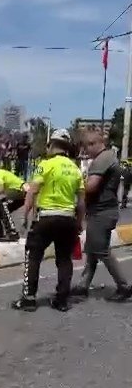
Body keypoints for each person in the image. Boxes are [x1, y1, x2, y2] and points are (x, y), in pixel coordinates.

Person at [12, 129, 85, 313]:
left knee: (33, 255)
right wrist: (79, 223)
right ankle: (61, 300)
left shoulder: (46, 164)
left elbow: (32, 191)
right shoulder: (75, 169)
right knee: (64, 259)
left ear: (51, 145)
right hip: (68, 219)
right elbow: (82, 202)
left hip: (46, 218)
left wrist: (25, 216)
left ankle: (29, 298)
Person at [72, 130, 132, 301]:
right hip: (103, 210)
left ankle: (124, 286)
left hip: (102, 212)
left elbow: (91, 186)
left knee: (102, 250)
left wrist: (75, 186)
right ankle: (83, 285)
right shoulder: (109, 157)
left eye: (89, 145)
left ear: (96, 143)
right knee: (93, 250)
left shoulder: (102, 159)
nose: (87, 149)